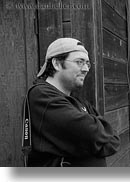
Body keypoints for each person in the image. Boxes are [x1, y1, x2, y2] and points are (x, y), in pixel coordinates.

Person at [24, 38, 120, 167]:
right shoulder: (42, 96)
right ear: (57, 63)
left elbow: (113, 140)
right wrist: (95, 138)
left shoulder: (77, 100)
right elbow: (92, 135)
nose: (86, 69)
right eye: (79, 62)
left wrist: (92, 140)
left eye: (87, 63)